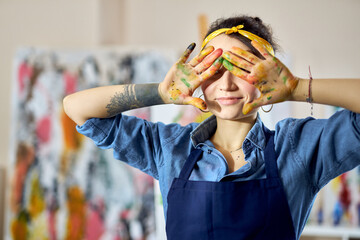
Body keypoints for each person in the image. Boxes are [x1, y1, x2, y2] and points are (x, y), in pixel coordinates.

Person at [63, 15, 360, 240]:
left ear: (268, 76)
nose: (226, 84)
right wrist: (161, 93)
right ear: (198, 78)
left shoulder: (297, 148)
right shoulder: (172, 148)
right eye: (213, 71)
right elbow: (77, 109)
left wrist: (295, 88)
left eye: (242, 69)